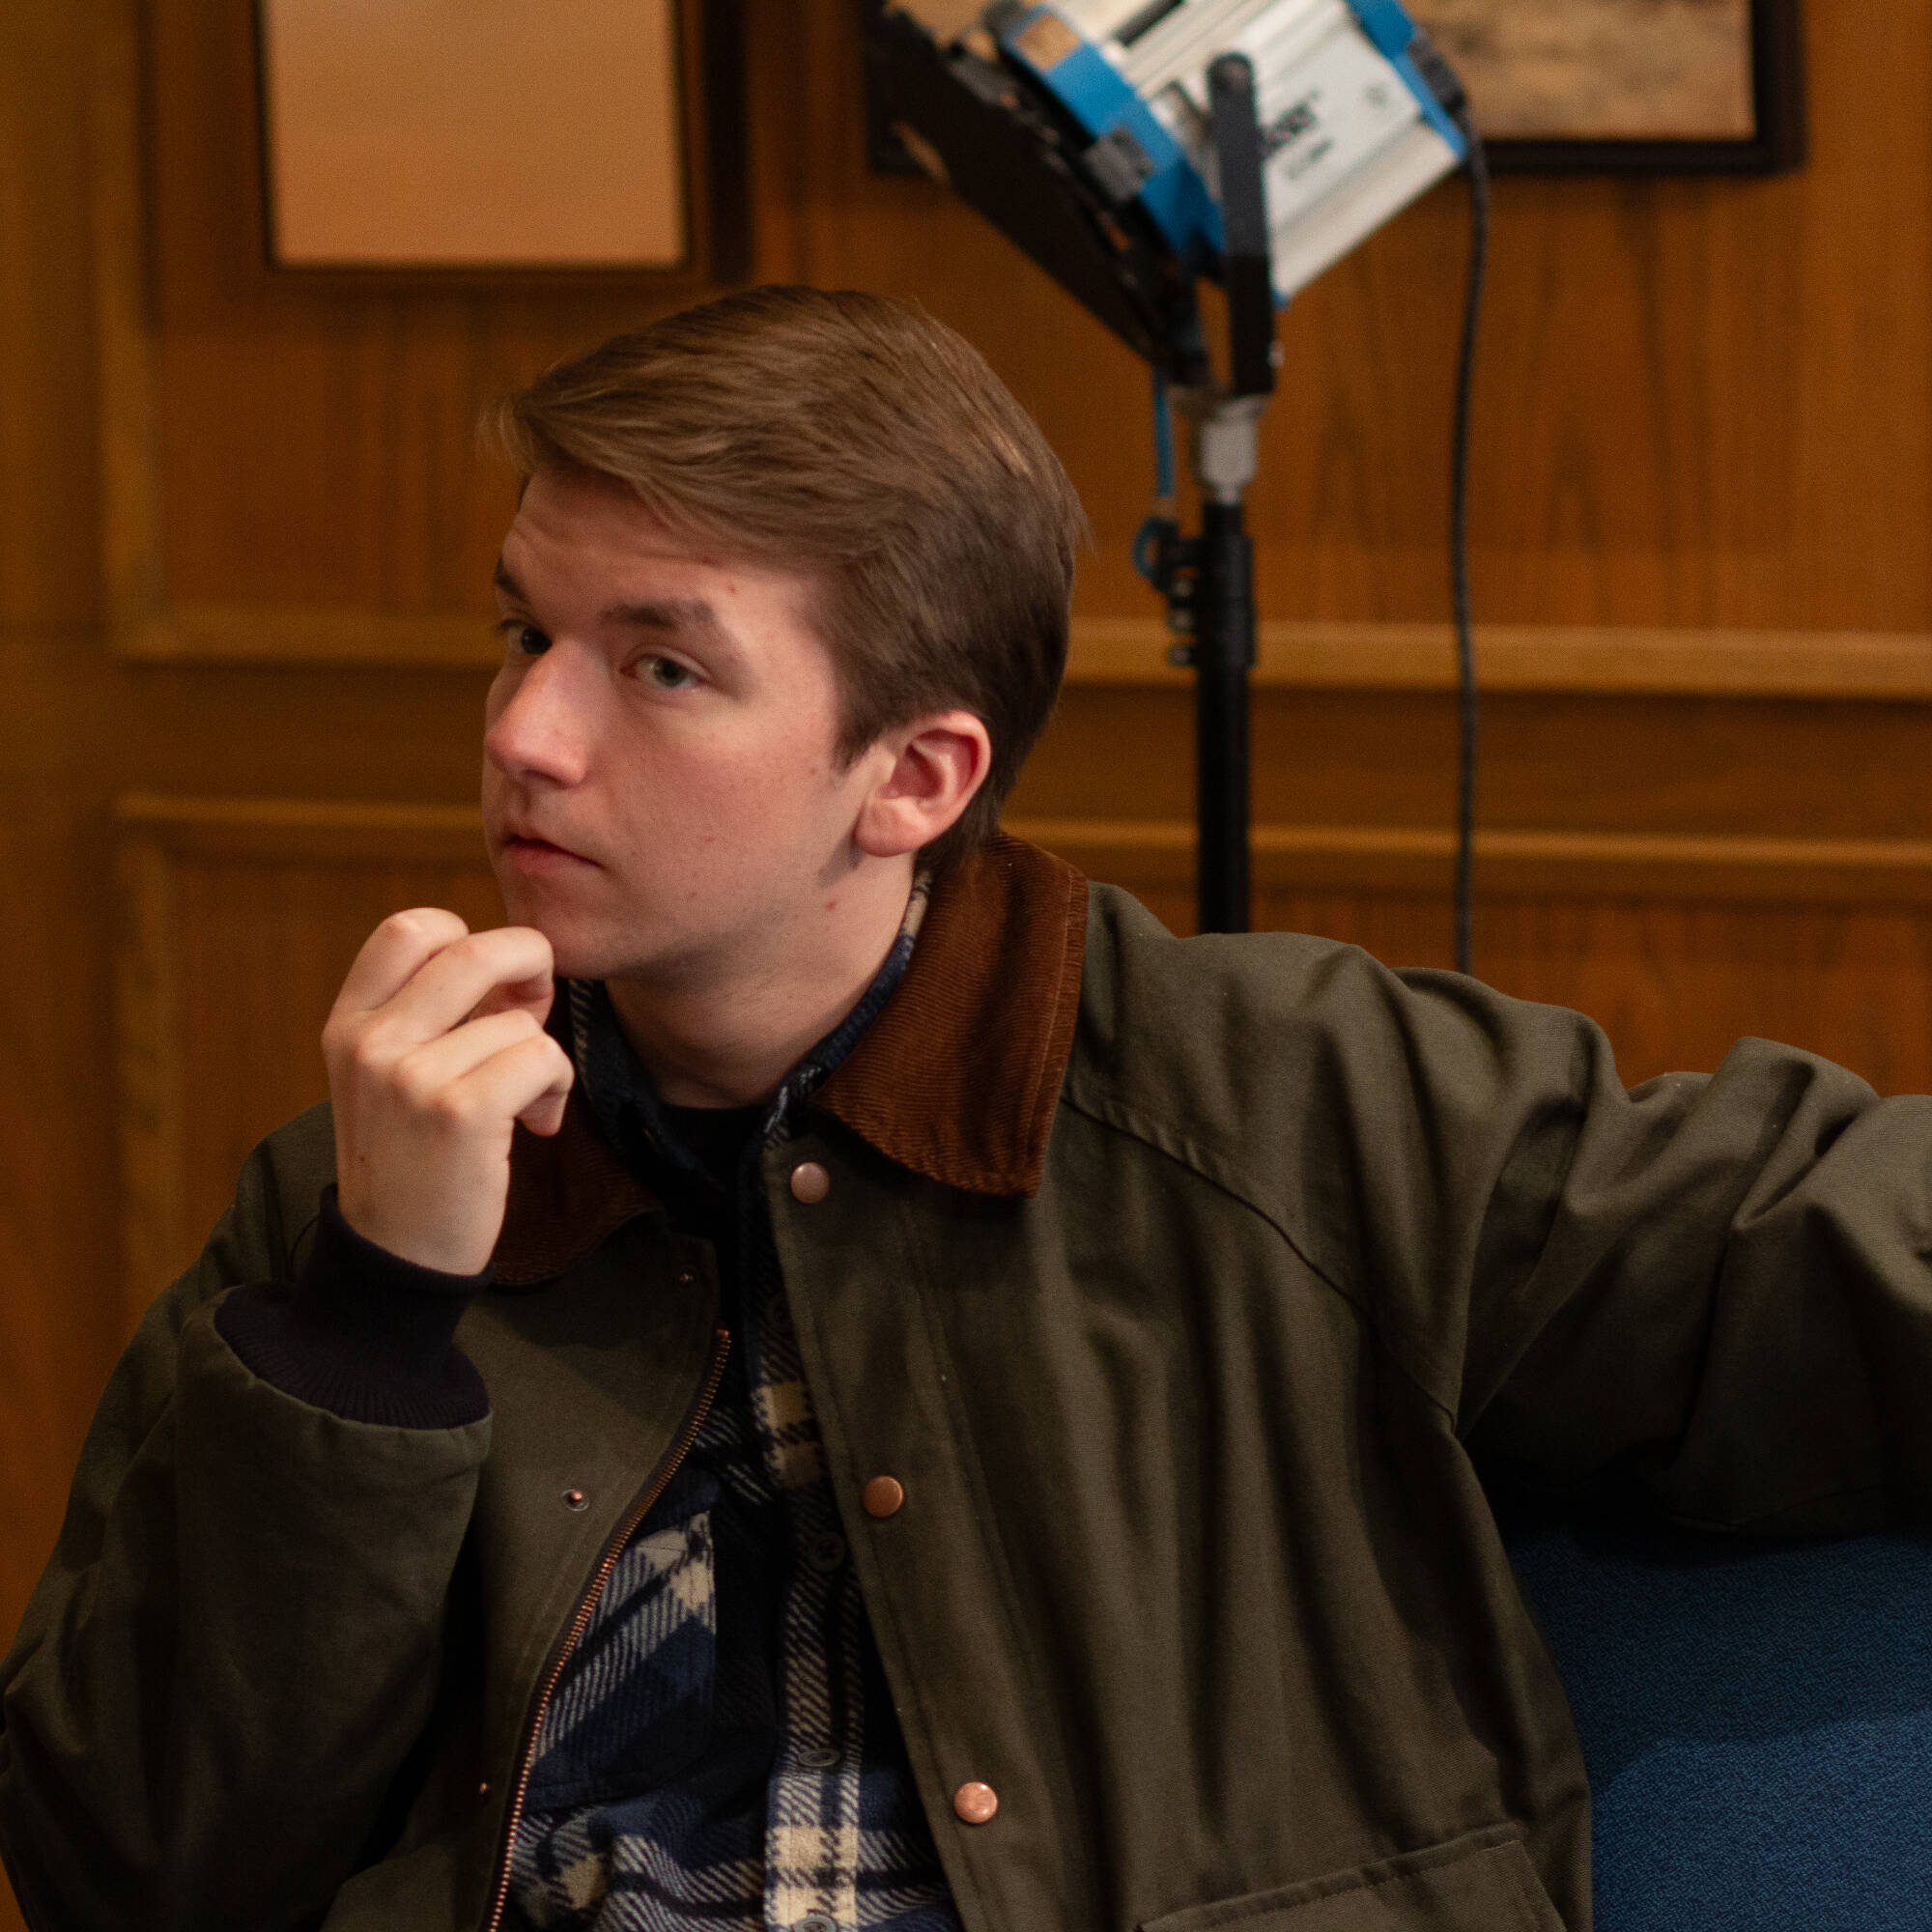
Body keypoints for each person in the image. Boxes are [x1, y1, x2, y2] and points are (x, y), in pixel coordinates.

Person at [5, 286, 1931, 1932]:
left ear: (914, 776)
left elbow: (1842, 1250)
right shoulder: (376, 1179)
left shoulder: (1289, 1106)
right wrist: (367, 1316)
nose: (525, 731)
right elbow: (131, 1874)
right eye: (526, 631)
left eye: (659, 665)